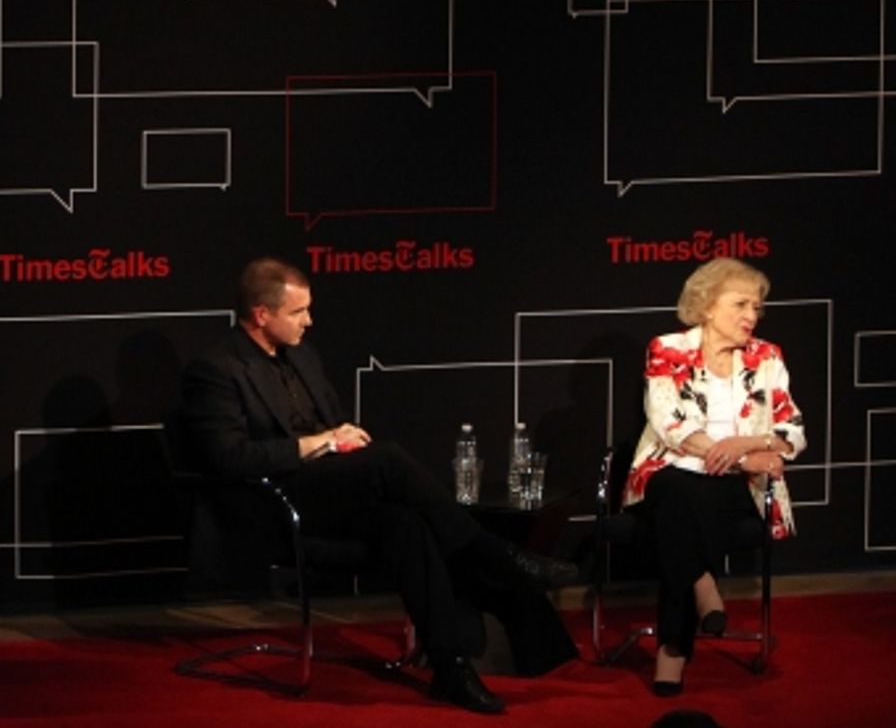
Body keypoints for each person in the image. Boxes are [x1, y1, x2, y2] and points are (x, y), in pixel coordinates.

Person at [180, 257, 579, 715]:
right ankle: (493, 555)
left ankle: (450, 666)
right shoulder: (216, 370)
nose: (309, 321)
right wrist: (321, 441)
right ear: (261, 314)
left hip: (330, 489)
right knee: (388, 460)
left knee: (406, 523)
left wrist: (341, 436)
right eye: (297, 312)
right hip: (272, 502)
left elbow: (331, 425)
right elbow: (228, 458)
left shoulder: (303, 357)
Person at [622, 258, 806, 697]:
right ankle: (704, 586)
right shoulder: (667, 348)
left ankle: (674, 646)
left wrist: (743, 448)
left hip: (738, 488)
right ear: (706, 306)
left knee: (681, 511)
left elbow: (792, 430)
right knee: (677, 490)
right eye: (741, 304)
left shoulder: (767, 357)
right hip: (675, 471)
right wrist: (746, 458)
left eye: (757, 307)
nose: (752, 316)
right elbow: (670, 424)